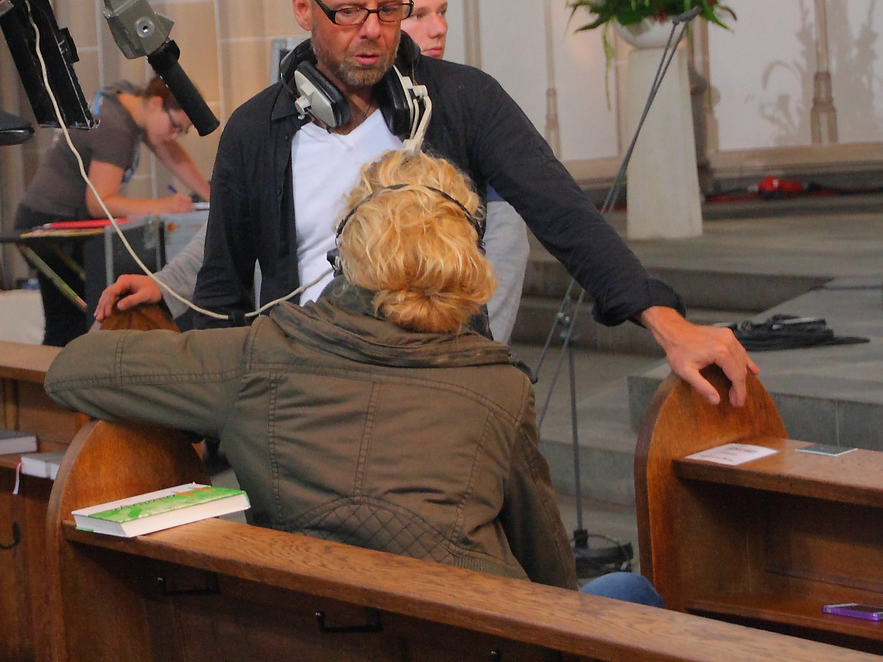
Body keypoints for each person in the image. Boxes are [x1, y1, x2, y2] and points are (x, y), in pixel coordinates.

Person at [100, 0, 755, 407]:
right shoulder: (254, 132)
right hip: (303, 397)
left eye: (389, 11)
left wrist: (665, 323)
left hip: (438, 385)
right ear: (305, 9)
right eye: (349, 12)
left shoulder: (462, 101)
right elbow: (223, 293)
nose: (372, 31)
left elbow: (564, 213)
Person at [51, 150, 657, 601]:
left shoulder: (262, 354)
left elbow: (72, 370)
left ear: (344, 254)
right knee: (629, 591)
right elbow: (551, 577)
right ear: (466, 260)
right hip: (470, 633)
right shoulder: (499, 387)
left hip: (315, 627)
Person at [14, 78, 209, 346]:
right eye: (175, 126)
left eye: (182, 131)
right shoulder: (116, 129)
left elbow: (166, 147)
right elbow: (99, 202)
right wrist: (162, 205)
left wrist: (213, 197)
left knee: (71, 320)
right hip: (48, 223)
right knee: (68, 324)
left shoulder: (127, 97)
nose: (174, 136)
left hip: (51, 217)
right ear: (156, 103)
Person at [401, 0, 528, 343]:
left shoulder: (469, 96)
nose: (439, 28)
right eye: (420, 15)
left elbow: (507, 229)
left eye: (441, 12)